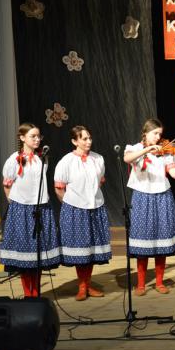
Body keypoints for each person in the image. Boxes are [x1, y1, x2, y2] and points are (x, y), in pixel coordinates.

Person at [124, 119, 175, 296]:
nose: (159, 137)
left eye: (160, 134)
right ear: (146, 133)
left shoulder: (166, 153)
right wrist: (147, 149)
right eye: (155, 133)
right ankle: (141, 284)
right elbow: (127, 158)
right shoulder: (134, 148)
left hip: (163, 195)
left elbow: (174, 174)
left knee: (161, 239)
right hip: (142, 197)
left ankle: (159, 281)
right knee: (143, 241)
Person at [0, 123, 60, 297]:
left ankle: (37, 293)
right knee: (25, 254)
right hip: (22, 209)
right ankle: (29, 294)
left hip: (41, 207)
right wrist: (15, 205)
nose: (37, 139)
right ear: (22, 138)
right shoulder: (14, 159)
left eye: (38, 136)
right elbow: (7, 185)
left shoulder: (43, 158)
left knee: (38, 254)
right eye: (32, 136)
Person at [54, 125, 111, 301]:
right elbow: (59, 188)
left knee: (91, 249)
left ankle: (88, 284)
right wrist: (71, 205)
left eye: (89, 138)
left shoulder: (98, 159)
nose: (88, 142)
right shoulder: (66, 161)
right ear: (74, 141)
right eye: (84, 138)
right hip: (75, 209)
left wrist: (90, 197)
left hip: (95, 207)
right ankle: (82, 286)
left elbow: (98, 182)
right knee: (81, 250)